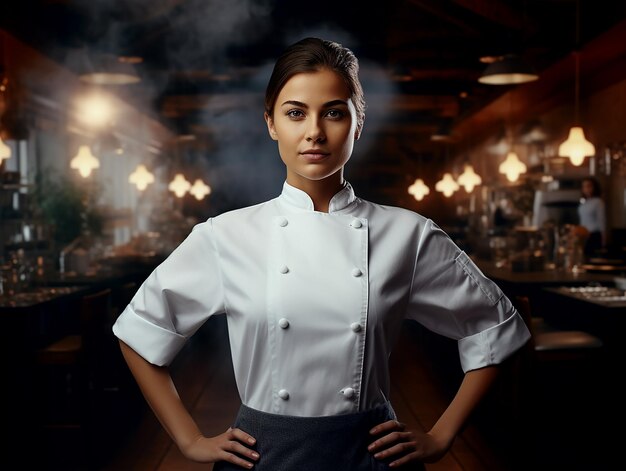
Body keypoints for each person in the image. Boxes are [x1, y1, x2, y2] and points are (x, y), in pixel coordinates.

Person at [112, 37, 531, 470]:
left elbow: (496, 329)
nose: (314, 131)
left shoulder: (408, 234)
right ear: (271, 123)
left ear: (357, 123)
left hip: (370, 455)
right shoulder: (226, 235)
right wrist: (190, 440)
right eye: (295, 113)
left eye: (333, 112)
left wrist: (442, 436)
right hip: (264, 454)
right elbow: (140, 332)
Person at [577, 176, 606, 258]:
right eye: (584, 186)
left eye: (588, 186)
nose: (586, 189)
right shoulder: (584, 202)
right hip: (583, 235)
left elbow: (602, 220)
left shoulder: (598, 202)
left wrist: (603, 240)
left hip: (594, 235)